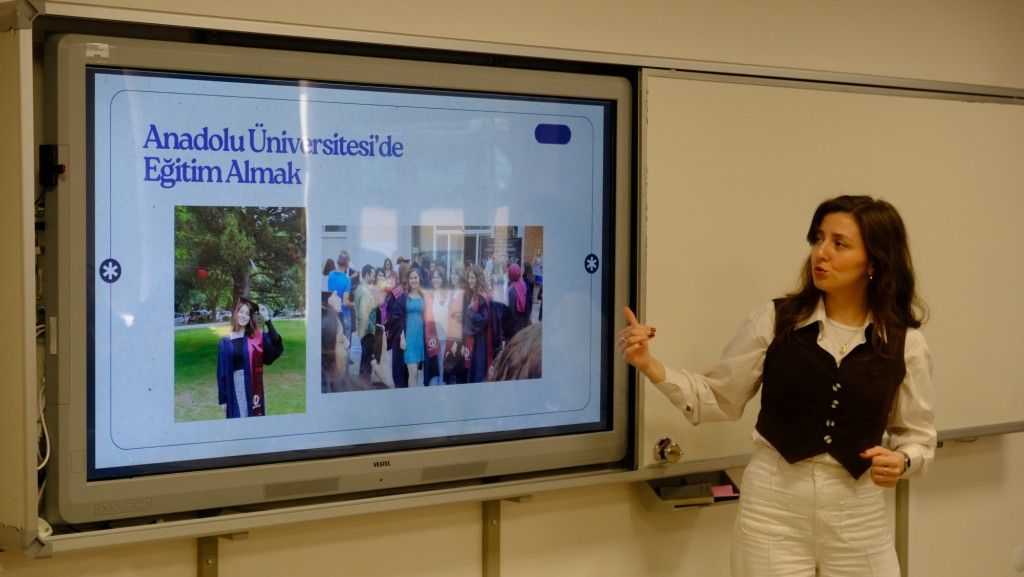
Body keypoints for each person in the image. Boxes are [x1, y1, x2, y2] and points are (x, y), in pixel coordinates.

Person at [618, 195, 935, 577]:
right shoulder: (774, 321)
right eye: (818, 239)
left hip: (858, 513)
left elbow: (918, 437)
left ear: (874, 262)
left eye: (839, 244)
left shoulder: (905, 343)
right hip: (774, 508)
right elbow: (717, 399)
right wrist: (649, 364)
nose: (821, 253)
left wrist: (904, 460)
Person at [217, 297, 284, 418]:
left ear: (250, 318)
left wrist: (267, 319)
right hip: (234, 386)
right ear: (236, 313)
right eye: (241, 312)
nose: (243, 316)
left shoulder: (256, 338)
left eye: (247, 314)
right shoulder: (225, 341)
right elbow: (221, 372)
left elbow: (275, 343)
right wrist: (223, 398)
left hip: (253, 385)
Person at [462, 264, 497, 383]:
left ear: (478, 279)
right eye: (469, 277)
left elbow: (483, 320)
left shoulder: (481, 297)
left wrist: (469, 312)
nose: (470, 280)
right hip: (476, 339)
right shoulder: (475, 295)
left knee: (477, 373)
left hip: (479, 342)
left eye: (473, 277)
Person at [354, 264, 377, 381]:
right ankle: (364, 384)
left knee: (365, 358)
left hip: (362, 330)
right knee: (367, 360)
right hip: (367, 331)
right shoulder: (365, 291)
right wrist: (372, 329)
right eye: (373, 275)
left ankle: (363, 382)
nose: (374, 278)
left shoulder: (359, 288)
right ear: (367, 275)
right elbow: (363, 314)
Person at [503, 263, 531, 342]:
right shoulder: (525, 287)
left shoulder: (511, 292)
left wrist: (504, 332)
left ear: (510, 275)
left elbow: (509, 316)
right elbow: (528, 309)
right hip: (522, 330)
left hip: (512, 333)